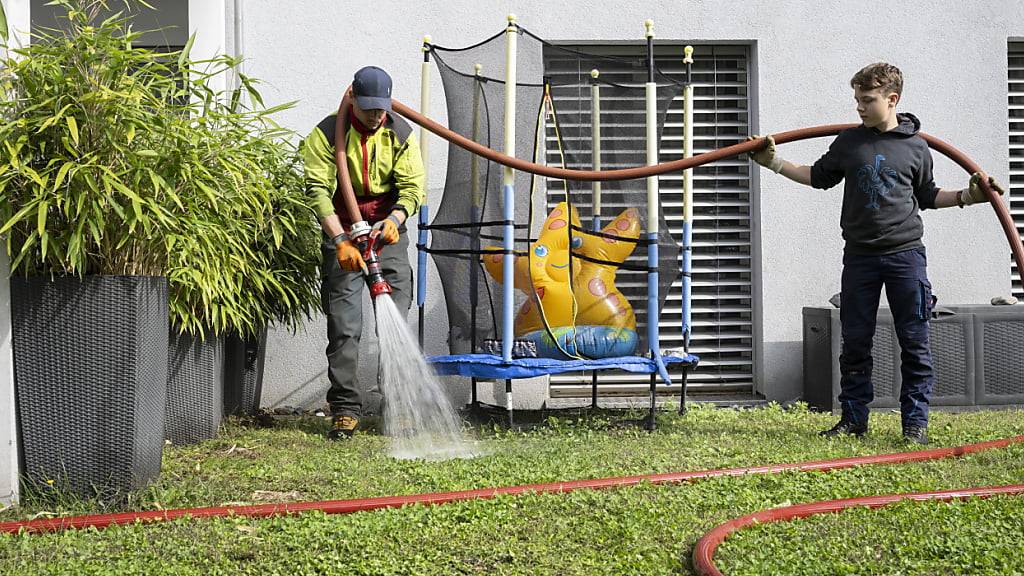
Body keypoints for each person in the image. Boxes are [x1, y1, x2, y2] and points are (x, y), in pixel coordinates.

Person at [749, 62, 1005, 445]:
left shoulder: (917, 147)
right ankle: (854, 420)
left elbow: (928, 196)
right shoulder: (849, 143)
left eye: (867, 100)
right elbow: (817, 177)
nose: (860, 107)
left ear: (892, 99)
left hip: (906, 257)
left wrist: (970, 196)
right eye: (857, 99)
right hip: (859, 259)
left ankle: (914, 425)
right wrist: (773, 162)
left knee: (914, 343)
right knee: (854, 343)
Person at [301, 66, 425, 439]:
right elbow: (317, 190)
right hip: (343, 233)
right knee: (344, 326)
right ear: (352, 98)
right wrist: (340, 240)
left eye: (381, 108)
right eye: (368, 107)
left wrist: (396, 220)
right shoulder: (327, 134)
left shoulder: (400, 133)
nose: (375, 115)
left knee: (395, 321)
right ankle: (345, 409)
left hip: (387, 234)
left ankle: (397, 408)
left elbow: (413, 187)